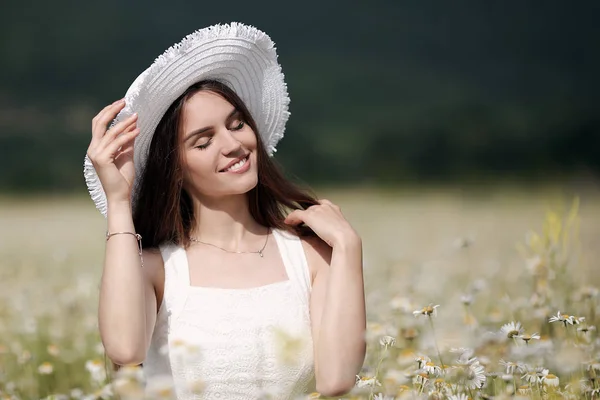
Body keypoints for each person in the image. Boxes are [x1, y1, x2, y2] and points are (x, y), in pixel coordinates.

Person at [84, 22, 366, 399]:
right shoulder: (157, 270)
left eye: (237, 124)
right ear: (175, 169)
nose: (234, 144)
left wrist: (348, 245)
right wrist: (120, 202)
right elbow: (124, 348)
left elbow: (337, 380)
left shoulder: (312, 257)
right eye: (204, 142)